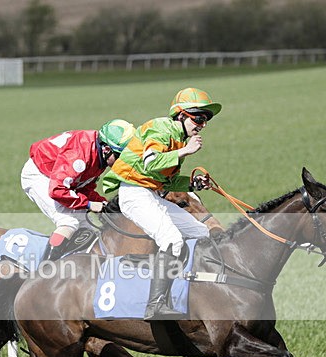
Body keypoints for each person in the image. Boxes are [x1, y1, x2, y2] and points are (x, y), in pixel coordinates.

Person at [101, 87, 222, 319]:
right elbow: (150, 163)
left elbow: (165, 180)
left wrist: (193, 184)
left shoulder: (178, 138)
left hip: (151, 194)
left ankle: (146, 266)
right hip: (134, 194)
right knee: (172, 239)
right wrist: (186, 151)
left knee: (200, 232)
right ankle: (155, 304)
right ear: (181, 115)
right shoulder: (160, 127)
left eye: (206, 120)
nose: (202, 124)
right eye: (198, 118)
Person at [21, 119, 136, 260]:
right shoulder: (80, 156)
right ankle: (45, 271)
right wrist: (89, 204)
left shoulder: (98, 155)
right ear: (106, 149)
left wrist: (102, 203)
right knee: (69, 222)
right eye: (120, 157)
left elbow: (83, 187)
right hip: (40, 175)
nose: (122, 162)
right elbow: (58, 190)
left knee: (88, 229)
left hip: (58, 179)